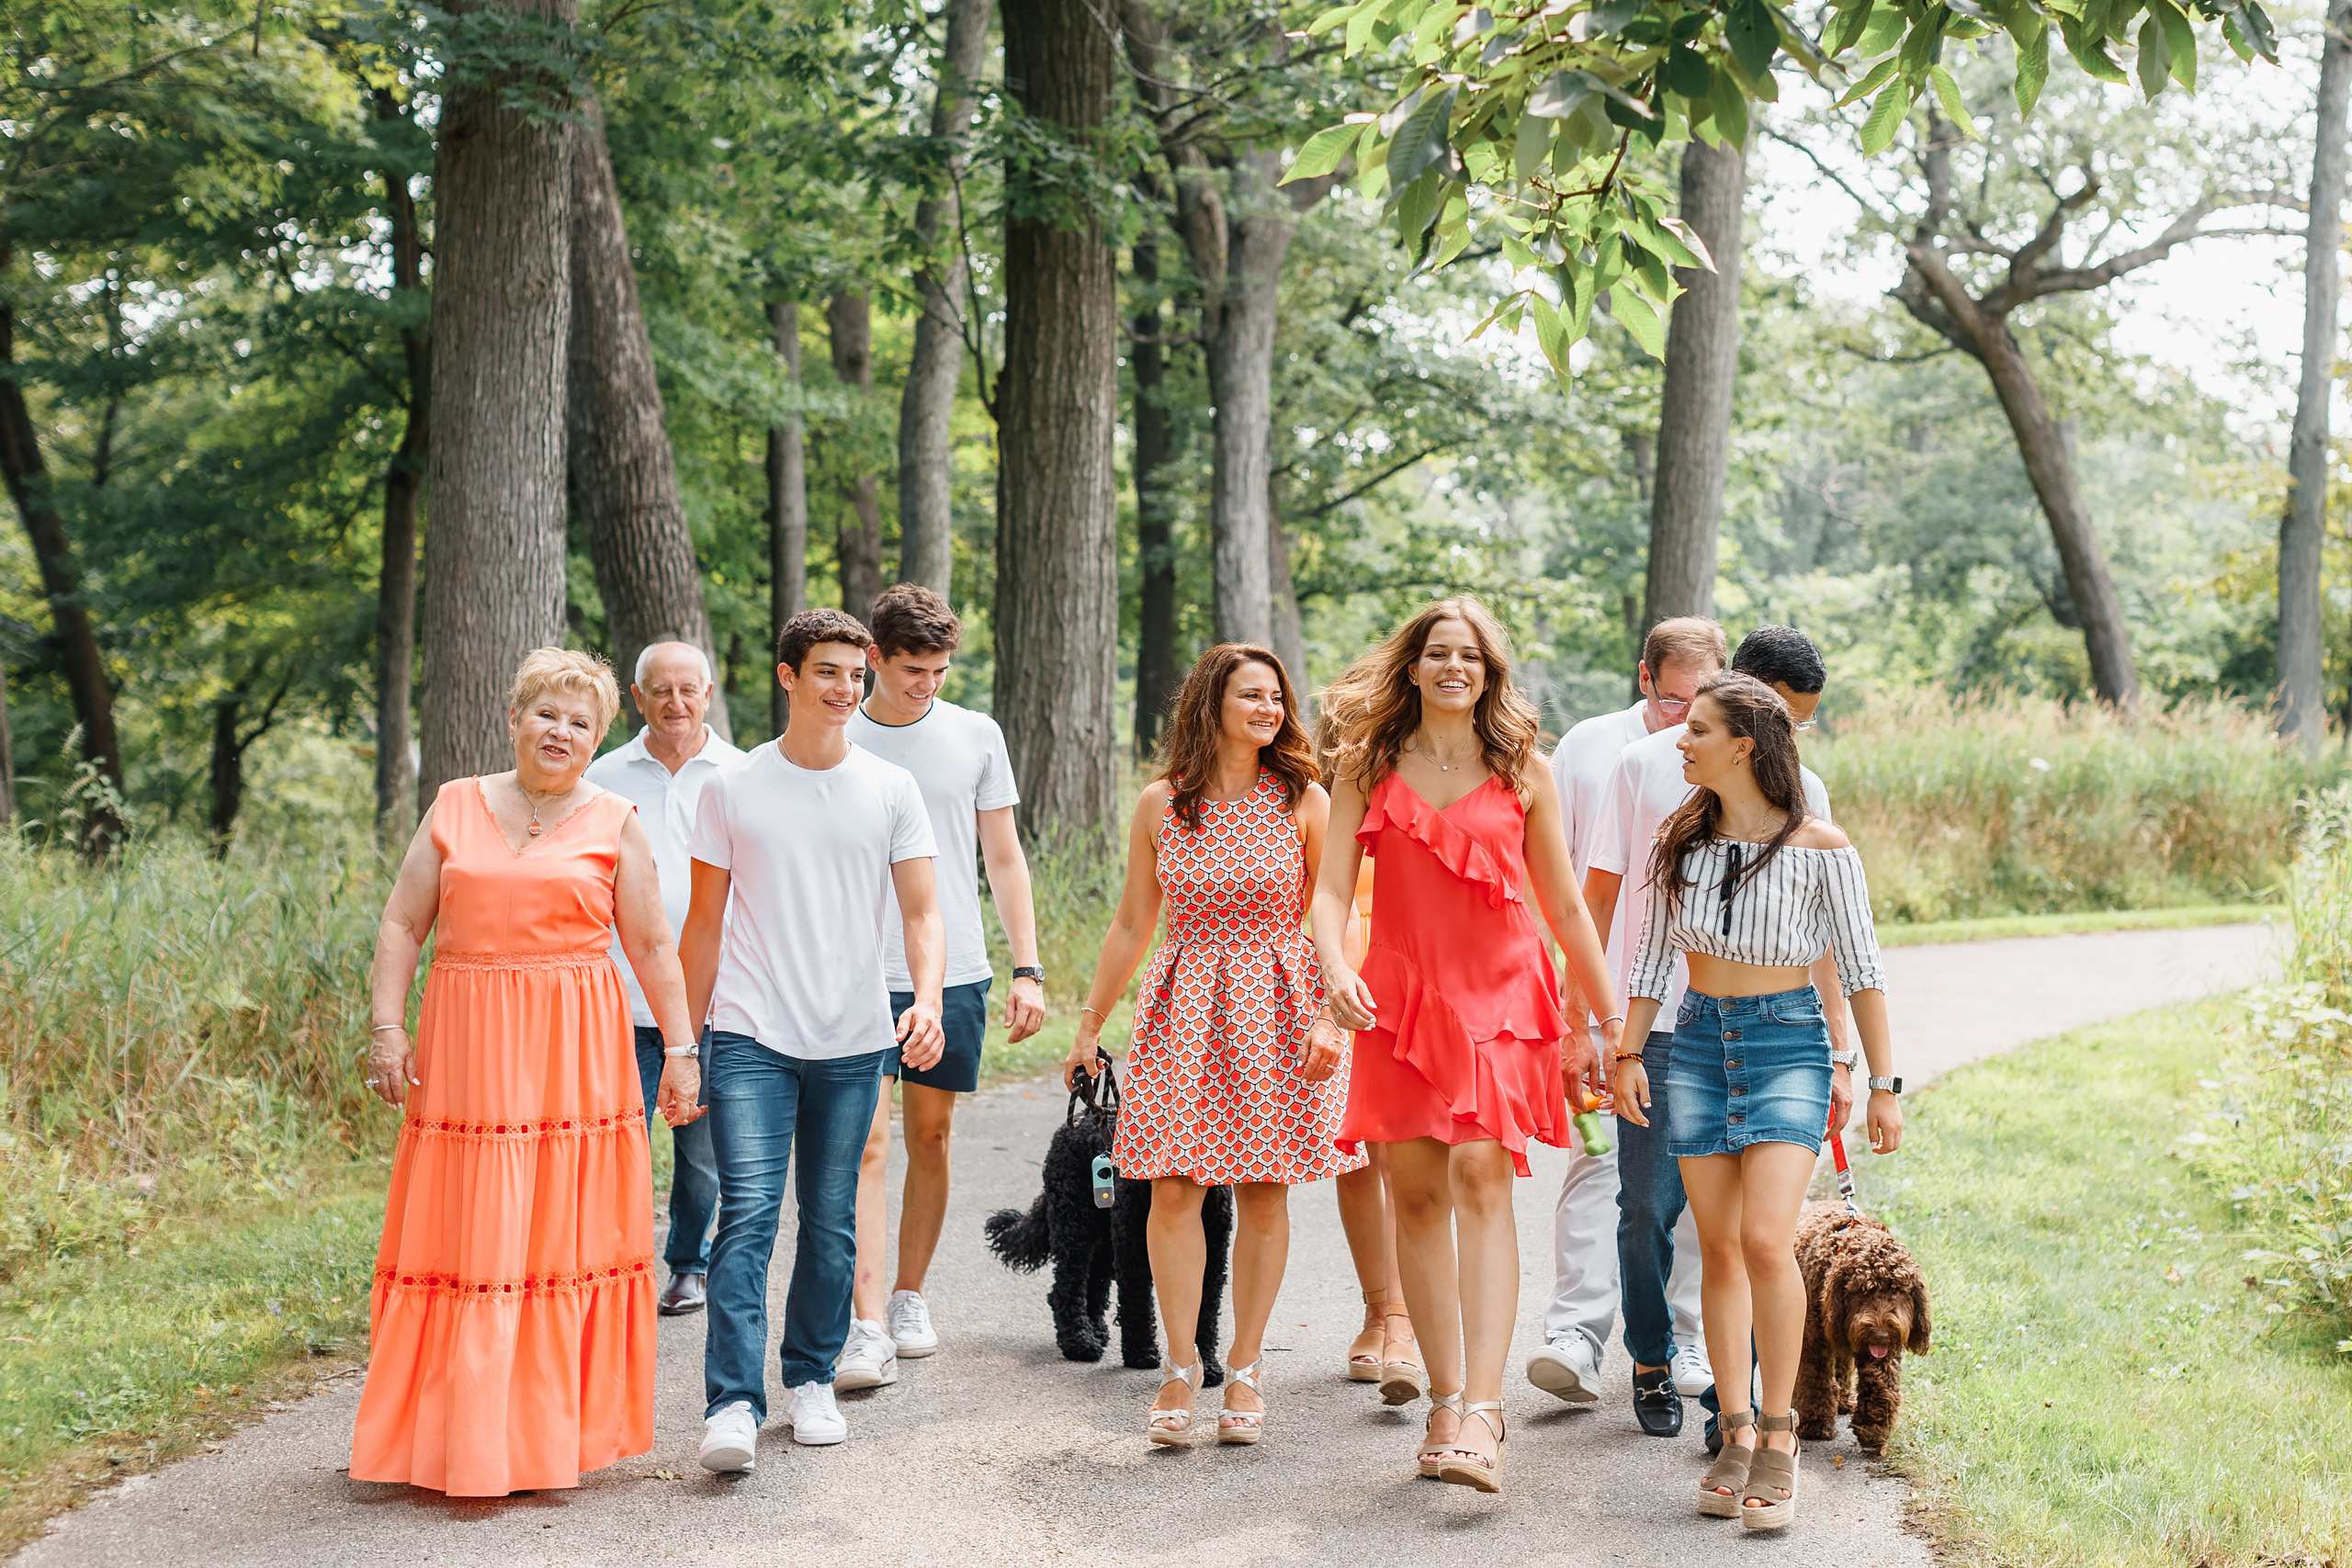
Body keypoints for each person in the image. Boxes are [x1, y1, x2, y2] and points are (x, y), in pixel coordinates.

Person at [352, 648, 703, 1497]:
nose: (561, 731)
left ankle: (546, 1433)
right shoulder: (454, 806)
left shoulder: (615, 818)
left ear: (597, 739)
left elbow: (654, 946)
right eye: (547, 713)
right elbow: (403, 924)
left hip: (574, 1062)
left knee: (555, 1238)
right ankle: (454, 1433)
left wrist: (683, 1050)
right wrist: (387, 1028)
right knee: (469, 1234)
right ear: (514, 718)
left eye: (581, 722)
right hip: (469, 1056)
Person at [1309, 597, 1623, 1495]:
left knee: (1481, 1172)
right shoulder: (1365, 763)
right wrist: (1335, 967)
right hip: (1398, 997)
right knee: (1413, 1196)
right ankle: (1445, 1401)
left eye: (1471, 657)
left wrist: (1602, 1027)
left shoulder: (1525, 767)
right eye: (1439, 653)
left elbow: (1565, 908)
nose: (1455, 667)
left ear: (1490, 673)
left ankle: (1484, 1411)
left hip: (1500, 996)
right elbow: (1331, 892)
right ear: (1411, 667)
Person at [1615, 671, 1900, 1532]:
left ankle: (1780, 1434)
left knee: (1768, 1240)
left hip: (1787, 1042)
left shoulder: (1822, 845)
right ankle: (1733, 1425)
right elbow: (1653, 956)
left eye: (1697, 729)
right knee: (1720, 1246)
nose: (1681, 740)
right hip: (1695, 1040)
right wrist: (1628, 1049)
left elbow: (1862, 971)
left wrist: (1882, 1083)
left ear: (1744, 744)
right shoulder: (1682, 838)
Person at [1061, 643, 1360, 1448]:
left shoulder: (1304, 797)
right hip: (1181, 1004)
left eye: (1276, 697)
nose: (1268, 709)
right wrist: (1090, 1021)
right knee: (1173, 1189)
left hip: (1279, 1003)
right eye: (1251, 696)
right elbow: (1132, 920)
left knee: (1266, 1189)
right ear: (1211, 704)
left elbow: (1339, 910)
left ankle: (1249, 1366)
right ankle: (1181, 1364)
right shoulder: (1164, 802)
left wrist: (1333, 1014)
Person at [681, 609, 946, 1471]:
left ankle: (811, 1380)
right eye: (827, 671)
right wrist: (685, 1046)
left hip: (853, 1037)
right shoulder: (731, 786)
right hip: (751, 1032)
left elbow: (922, 911)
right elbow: (703, 926)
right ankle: (730, 1402)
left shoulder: (889, 788)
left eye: (855, 674)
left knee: (830, 1219)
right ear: (789, 676)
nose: (845, 688)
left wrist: (929, 999)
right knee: (748, 1216)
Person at [1580, 625, 1854, 1450]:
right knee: (1648, 1210)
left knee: (1748, 1236)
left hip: (1771, 1031)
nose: (1797, 738)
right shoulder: (1641, 767)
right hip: (1664, 1027)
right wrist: (1591, 1030)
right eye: (1790, 718)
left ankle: (1736, 1415)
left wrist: (1842, 1053)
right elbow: (1595, 903)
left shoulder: (1806, 791)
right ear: (1752, 705)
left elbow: (1827, 939)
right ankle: (1653, 1361)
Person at [841, 585, 1046, 1387]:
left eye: (938, 669)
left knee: (930, 1136)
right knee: (865, 1143)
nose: (927, 683)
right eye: (912, 669)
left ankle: (908, 1295)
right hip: (856, 972)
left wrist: (1026, 966)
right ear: (875, 658)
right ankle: (862, 1319)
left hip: (952, 969)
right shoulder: (838, 731)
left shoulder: (974, 734)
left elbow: (1003, 856)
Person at [1526, 615, 1723, 1426]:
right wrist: (1576, 1013)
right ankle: (1577, 1332)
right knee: (1607, 1170)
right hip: (1611, 1002)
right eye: (1676, 702)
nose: (1688, 721)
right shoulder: (1593, 748)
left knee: (1703, 1178)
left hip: (1705, 1003)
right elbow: (1571, 888)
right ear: (1646, 679)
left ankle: (1691, 1337)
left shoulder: (1731, 749)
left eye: (1702, 704)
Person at [583, 640, 743, 1317]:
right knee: (616, 1143)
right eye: (661, 690)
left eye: (689, 689)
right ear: (639, 698)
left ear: (708, 694)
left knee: (702, 1154)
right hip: (620, 994)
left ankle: (687, 1265)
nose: (675, 703)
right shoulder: (603, 776)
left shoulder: (741, 773)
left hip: (712, 997)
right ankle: (609, 1267)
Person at [1333, 857, 1420, 1401]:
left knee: (1397, 1155)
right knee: (1354, 1157)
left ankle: (1400, 1319)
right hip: (1338, 978)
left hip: (1403, 969)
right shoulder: (1317, 789)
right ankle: (1375, 1306)